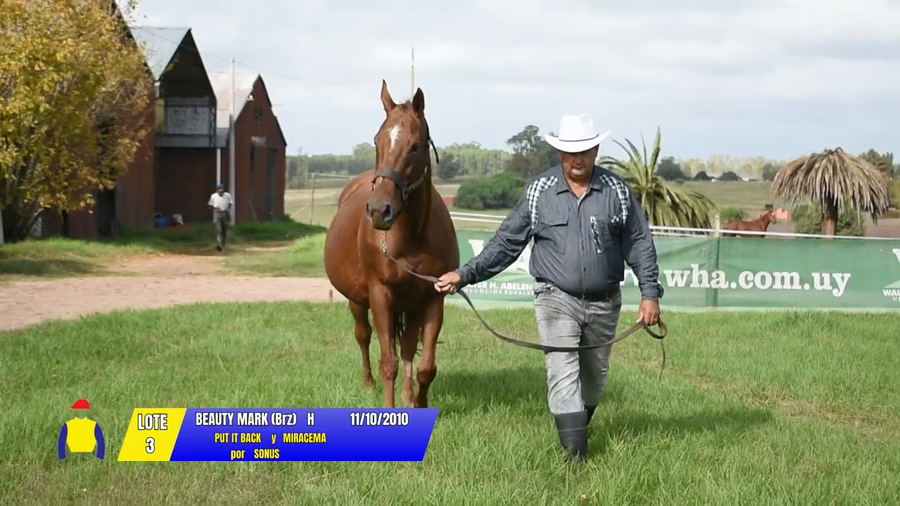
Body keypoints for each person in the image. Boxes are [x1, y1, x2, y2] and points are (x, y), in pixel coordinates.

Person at [434, 113, 663, 463]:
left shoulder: (617, 191)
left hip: (605, 302)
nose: (577, 159)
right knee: (561, 371)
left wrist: (649, 294)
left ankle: (575, 433)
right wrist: (464, 275)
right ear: (558, 153)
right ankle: (575, 461)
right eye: (569, 151)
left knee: (593, 379)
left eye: (584, 150)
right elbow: (506, 242)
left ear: (596, 149)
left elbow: (639, 242)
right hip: (555, 298)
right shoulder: (540, 191)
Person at [208, 183, 233, 252]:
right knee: (219, 230)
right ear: (217, 190)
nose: (221, 192)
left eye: (222, 191)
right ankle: (221, 246)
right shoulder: (214, 196)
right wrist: (215, 210)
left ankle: (222, 244)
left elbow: (230, 203)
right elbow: (210, 205)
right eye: (219, 191)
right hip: (217, 213)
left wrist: (227, 209)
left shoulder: (227, 195)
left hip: (225, 213)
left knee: (224, 231)